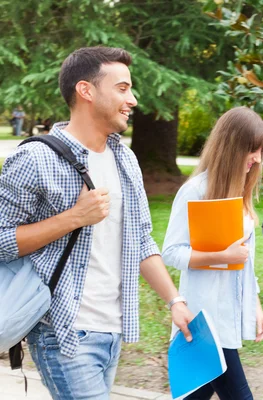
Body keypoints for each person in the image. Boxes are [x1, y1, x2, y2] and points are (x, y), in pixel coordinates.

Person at [0, 46, 194, 399]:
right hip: (63, 331)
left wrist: (175, 301)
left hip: (113, 330)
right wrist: (74, 218)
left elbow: (141, 240)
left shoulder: (125, 158)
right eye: (122, 88)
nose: (132, 99)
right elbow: (1, 240)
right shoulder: (35, 158)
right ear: (86, 91)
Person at [162, 106, 263, 400]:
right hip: (206, 319)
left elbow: (244, 261)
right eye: (253, 149)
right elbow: (171, 252)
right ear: (232, 146)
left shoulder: (240, 191)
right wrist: (220, 256)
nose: (258, 158)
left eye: (261, 150)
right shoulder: (195, 191)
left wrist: (255, 304)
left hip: (227, 316)